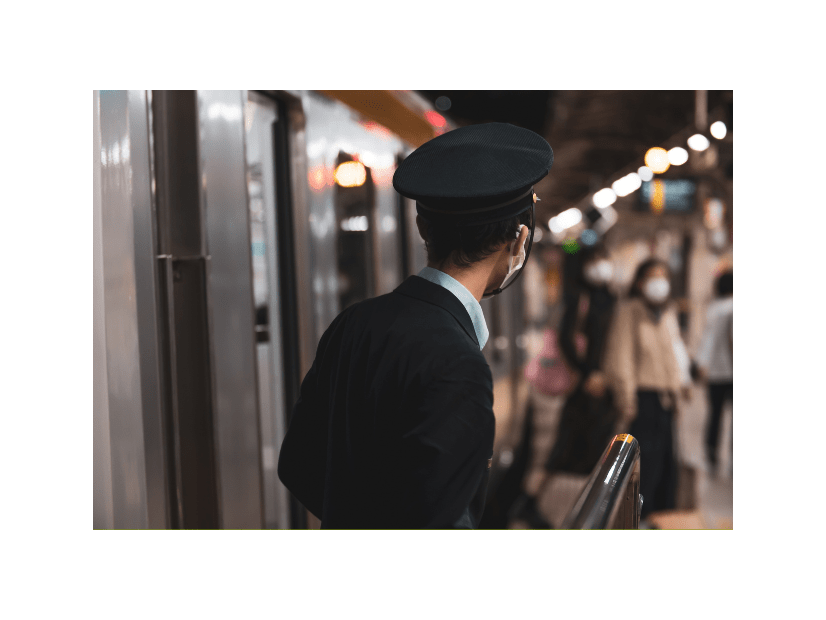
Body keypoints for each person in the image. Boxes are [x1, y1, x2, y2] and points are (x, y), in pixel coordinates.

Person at [278, 123, 554, 528]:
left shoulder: (354, 323)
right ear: (518, 242)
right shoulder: (461, 366)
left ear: (424, 229)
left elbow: (297, 464)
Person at [513, 245, 619, 528]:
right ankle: (532, 506)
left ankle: (571, 512)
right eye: (595, 260)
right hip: (580, 390)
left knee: (586, 456)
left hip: (604, 390)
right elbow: (566, 340)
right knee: (561, 454)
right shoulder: (578, 298)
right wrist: (586, 376)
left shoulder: (612, 299)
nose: (601, 266)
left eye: (603, 259)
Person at [603, 258, 691, 521]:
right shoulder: (629, 311)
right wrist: (626, 398)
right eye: (653, 277)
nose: (659, 283)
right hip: (641, 402)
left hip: (665, 402)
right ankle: (638, 522)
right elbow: (622, 358)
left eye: (663, 277)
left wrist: (682, 384)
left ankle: (660, 521)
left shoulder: (668, 313)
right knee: (644, 472)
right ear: (640, 282)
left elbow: (675, 350)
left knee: (667, 470)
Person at [695, 270, 733, 474]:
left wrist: (701, 363)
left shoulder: (714, 308)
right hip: (733, 373)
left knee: (715, 415)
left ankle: (711, 453)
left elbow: (707, 339)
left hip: (716, 374)